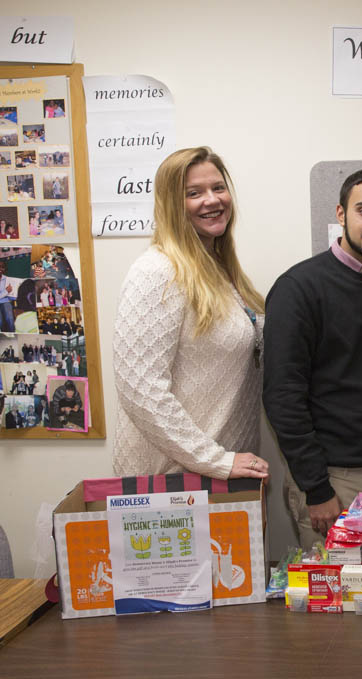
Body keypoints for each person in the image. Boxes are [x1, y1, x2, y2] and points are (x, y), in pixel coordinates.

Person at [263, 168, 362, 548]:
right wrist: (316, 488)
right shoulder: (298, 289)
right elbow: (283, 397)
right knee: (338, 604)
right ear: (341, 213)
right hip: (333, 482)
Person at [112, 147, 268, 480]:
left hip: (220, 477)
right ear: (171, 204)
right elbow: (140, 389)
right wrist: (216, 460)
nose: (211, 200)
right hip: (172, 481)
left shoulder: (223, 271)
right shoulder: (157, 271)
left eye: (218, 187)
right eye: (193, 193)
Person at [0, 260, 14, 332]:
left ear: (5, 269)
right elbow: (6, 292)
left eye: (2, 267)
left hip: (6, 301)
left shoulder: (7, 279)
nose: (0, 269)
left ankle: (13, 335)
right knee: (0, 321)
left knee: (10, 319)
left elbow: (10, 294)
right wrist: (6, 291)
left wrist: (15, 295)